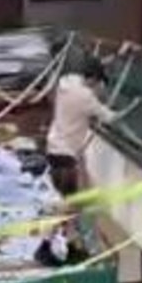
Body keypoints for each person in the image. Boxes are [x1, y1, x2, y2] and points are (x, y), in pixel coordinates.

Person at [46, 55, 116, 197]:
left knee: (62, 196)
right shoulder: (86, 97)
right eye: (98, 82)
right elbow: (110, 118)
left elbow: (91, 68)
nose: (98, 86)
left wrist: (117, 56)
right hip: (67, 156)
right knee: (71, 199)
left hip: (52, 148)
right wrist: (134, 106)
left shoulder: (66, 81)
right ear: (93, 79)